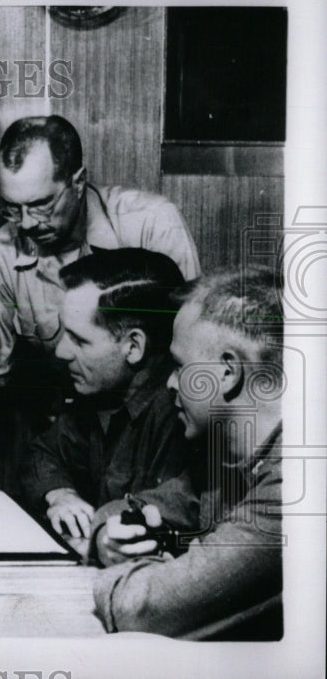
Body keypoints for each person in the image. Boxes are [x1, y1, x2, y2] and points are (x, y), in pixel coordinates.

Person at [0, 115, 201, 489]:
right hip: (75, 433)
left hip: (157, 433)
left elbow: (193, 350)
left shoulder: (151, 223)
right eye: (12, 207)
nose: (25, 224)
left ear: (77, 181)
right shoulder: (2, 253)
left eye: (40, 205)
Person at [92, 268, 283, 640]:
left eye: (179, 367)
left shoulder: (295, 486)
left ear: (228, 372)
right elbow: (143, 506)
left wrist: (154, 570)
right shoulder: (230, 465)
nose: (169, 382)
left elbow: (139, 607)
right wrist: (106, 538)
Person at [19, 249, 194, 551]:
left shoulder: (183, 412)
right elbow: (42, 453)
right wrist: (60, 494)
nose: (61, 352)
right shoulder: (99, 396)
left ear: (134, 346)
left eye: (79, 340)